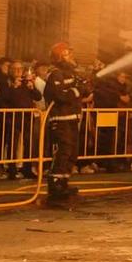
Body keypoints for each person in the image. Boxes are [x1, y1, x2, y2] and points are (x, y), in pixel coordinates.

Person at [40, 41, 91, 201]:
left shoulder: (69, 72)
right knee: (64, 151)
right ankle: (54, 184)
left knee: (72, 152)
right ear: (61, 55)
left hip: (72, 118)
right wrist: (78, 90)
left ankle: (63, 182)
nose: (72, 56)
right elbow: (59, 96)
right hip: (61, 119)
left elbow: (81, 91)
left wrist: (85, 86)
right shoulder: (55, 74)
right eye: (68, 53)